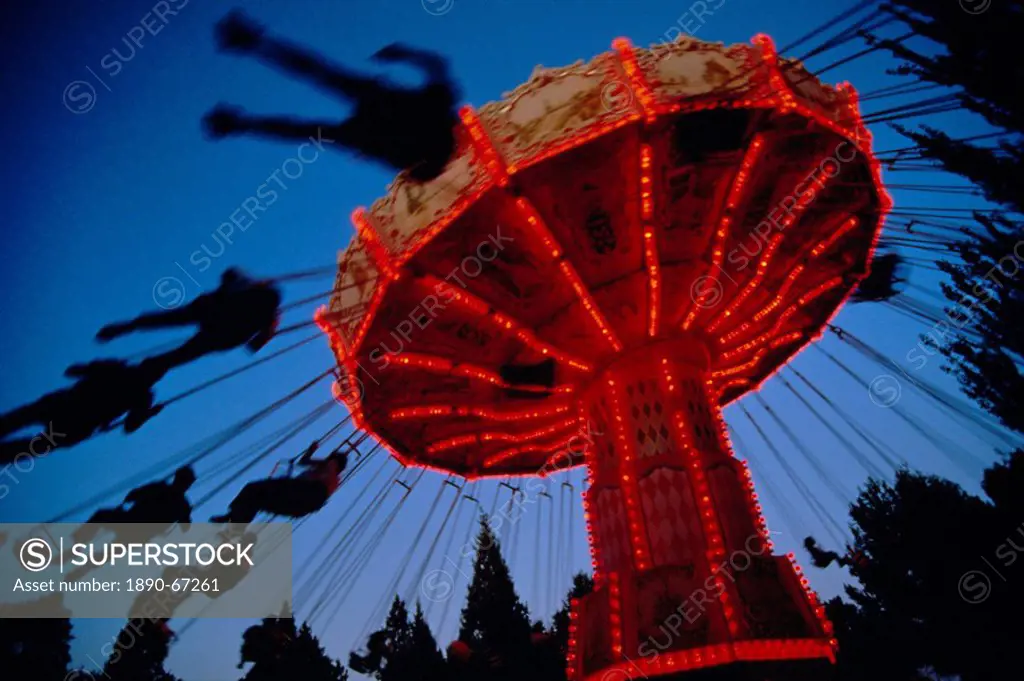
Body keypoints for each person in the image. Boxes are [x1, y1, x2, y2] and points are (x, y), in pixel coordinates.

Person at [203, 10, 460, 183]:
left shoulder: (388, 122)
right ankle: (252, 44)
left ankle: (252, 44)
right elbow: (437, 65)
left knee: (324, 84)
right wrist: (404, 54)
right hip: (407, 135)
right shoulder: (423, 107)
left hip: (402, 136)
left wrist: (243, 125)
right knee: (326, 83)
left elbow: (298, 128)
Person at [97, 268, 281, 375]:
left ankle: (135, 334)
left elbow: (230, 280)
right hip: (223, 332)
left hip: (219, 323)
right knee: (185, 350)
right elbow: (262, 337)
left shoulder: (257, 294)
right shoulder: (267, 308)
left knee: (178, 330)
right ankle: (150, 364)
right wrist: (256, 342)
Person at [0, 359, 164, 464]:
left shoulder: (119, 371)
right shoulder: (142, 395)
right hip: (77, 423)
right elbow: (130, 426)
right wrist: (148, 414)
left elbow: (72, 371)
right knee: (29, 444)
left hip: (65, 405)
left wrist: (101, 368)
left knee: (21, 421)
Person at [211, 442, 349, 524]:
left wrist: (313, 452)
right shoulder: (333, 479)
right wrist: (311, 452)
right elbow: (303, 462)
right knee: (257, 498)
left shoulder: (330, 466)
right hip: (304, 504)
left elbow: (306, 462)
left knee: (254, 490)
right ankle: (235, 521)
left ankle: (234, 517)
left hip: (303, 492)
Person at [73, 466, 196, 543]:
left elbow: (132, 495)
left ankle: (79, 543)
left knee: (101, 516)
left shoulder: (160, 488)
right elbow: (185, 528)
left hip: (131, 521)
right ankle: (82, 566)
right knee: (111, 550)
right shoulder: (182, 505)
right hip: (141, 533)